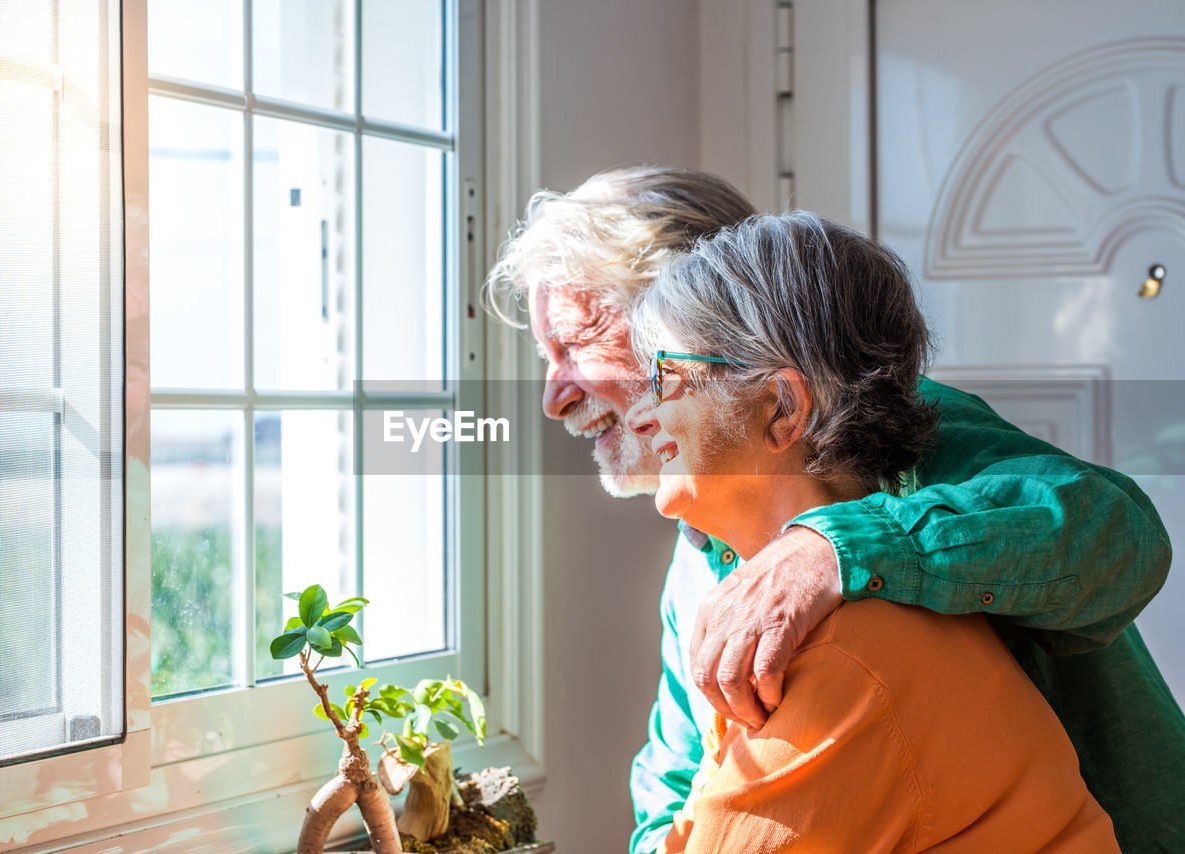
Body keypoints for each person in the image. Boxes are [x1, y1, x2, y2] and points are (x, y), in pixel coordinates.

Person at [485, 166, 1184, 854]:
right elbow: (676, 783)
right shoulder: (696, 549)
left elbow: (1120, 538)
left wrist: (835, 546)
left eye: (577, 342)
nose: (555, 396)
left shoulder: (899, 430)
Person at [624, 211, 1117, 852]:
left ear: (781, 407)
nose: (637, 414)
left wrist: (830, 548)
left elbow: (1110, 526)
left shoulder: (840, 650)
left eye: (665, 376)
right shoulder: (768, 603)